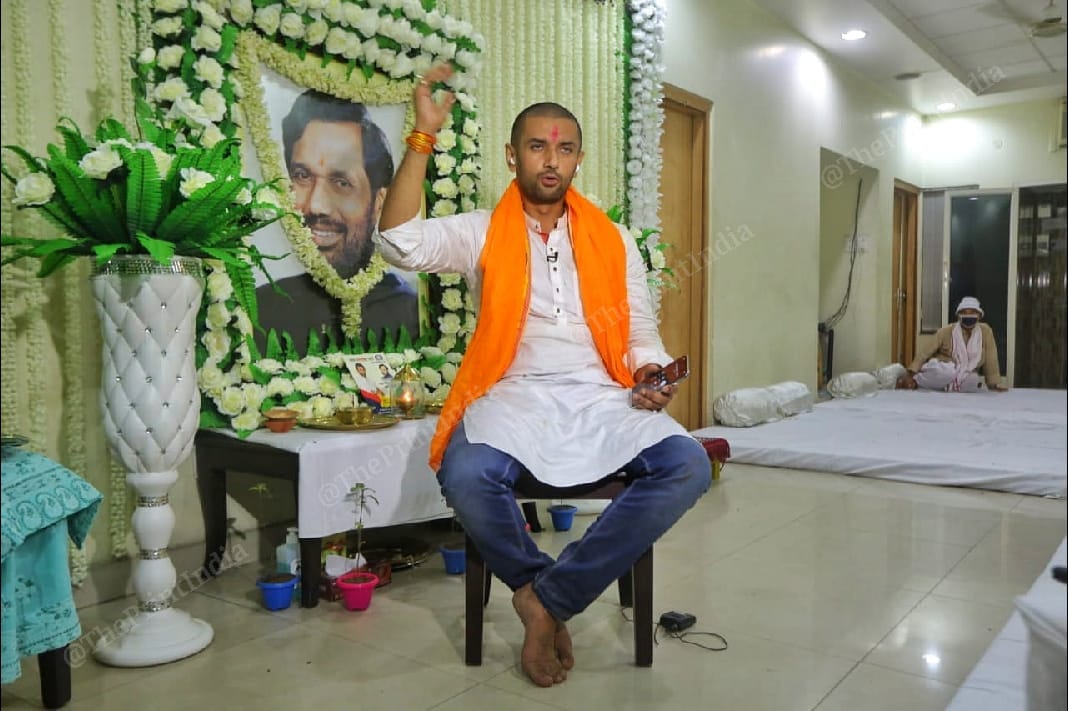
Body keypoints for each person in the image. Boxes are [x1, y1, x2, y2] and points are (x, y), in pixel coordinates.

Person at [375, 65, 712, 687]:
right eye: (537, 146)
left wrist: (647, 371)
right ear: (513, 156)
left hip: (600, 395)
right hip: (514, 395)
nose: (550, 160)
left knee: (688, 464)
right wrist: (422, 135)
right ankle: (537, 586)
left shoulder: (615, 240)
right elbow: (397, 243)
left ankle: (547, 599)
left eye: (563, 148)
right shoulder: (481, 231)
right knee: (465, 473)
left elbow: (638, 329)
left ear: (579, 158)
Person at [254, 89, 419, 350]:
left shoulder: (411, 313)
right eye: (302, 176)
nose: (317, 205)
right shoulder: (261, 309)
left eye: (342, 182)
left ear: (379, 202)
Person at [897, 296, 1007, 392]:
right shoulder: (946, 331)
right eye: (964, 313)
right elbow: (925, 352)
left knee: (973, 380)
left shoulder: (985, 331)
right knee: (947, 373)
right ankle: (918, 381)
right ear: (958, 316)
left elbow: (991, 358)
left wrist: (994, 384)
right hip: (942, 368)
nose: (968, 316)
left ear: (979, 315)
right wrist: (910, 374)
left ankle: (947, 386)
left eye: (972, 312)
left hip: (964, 372)